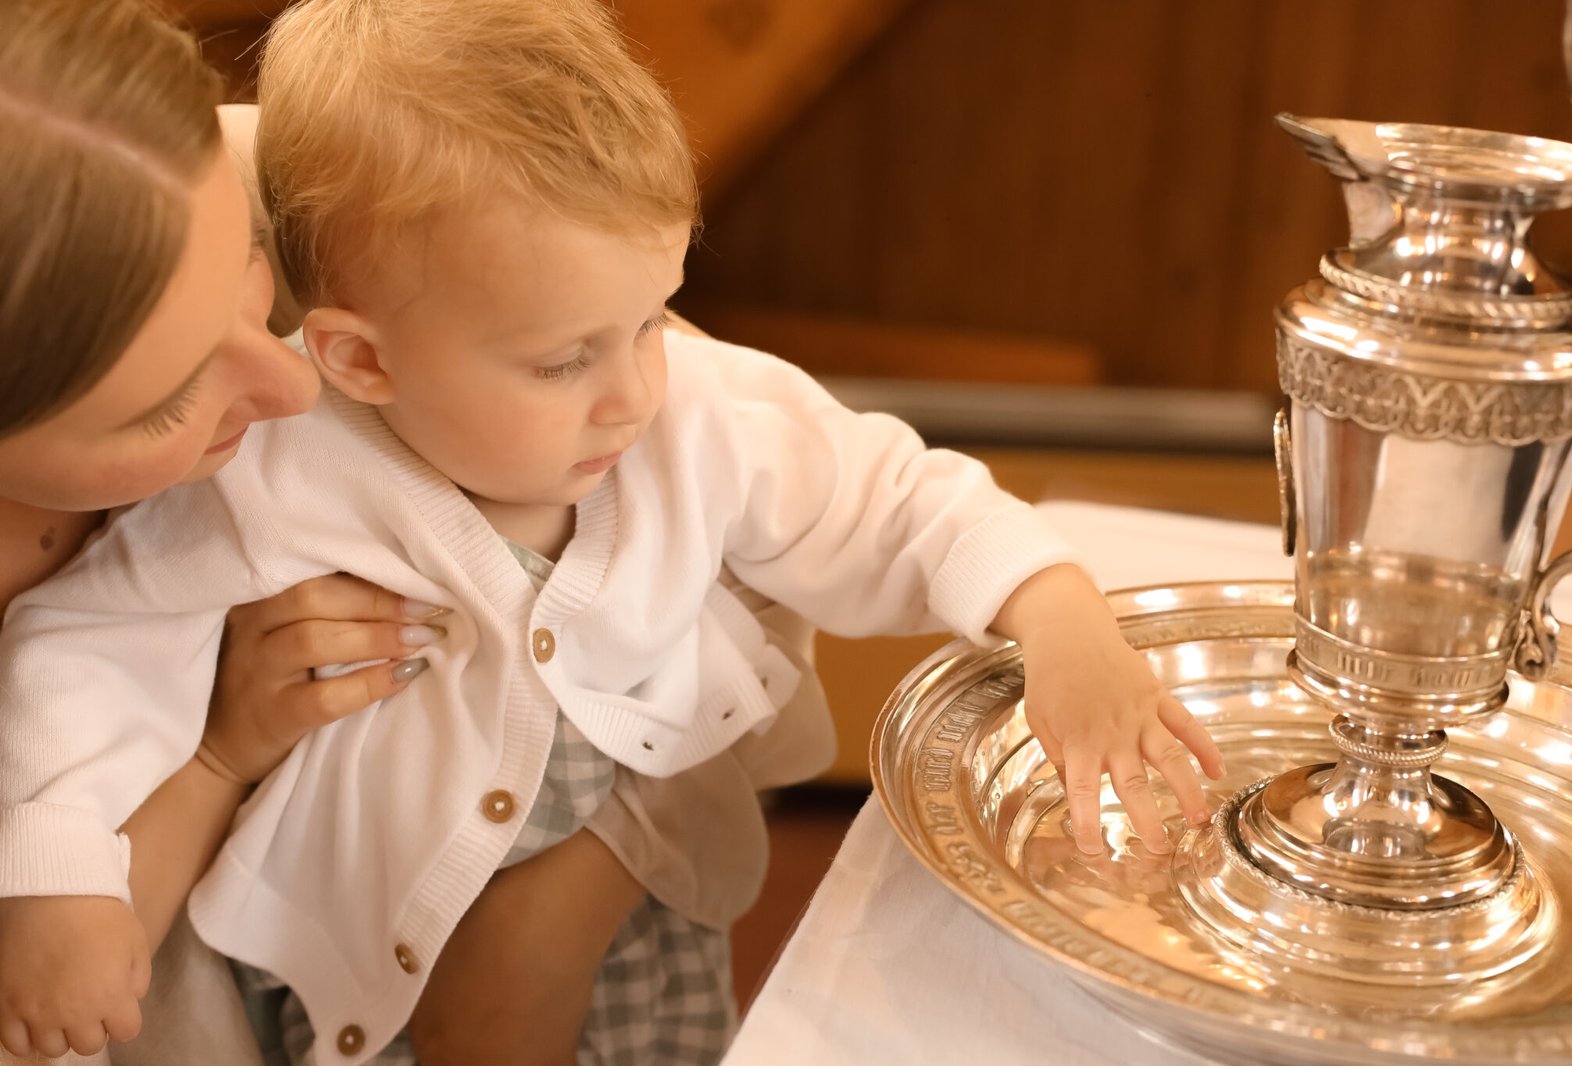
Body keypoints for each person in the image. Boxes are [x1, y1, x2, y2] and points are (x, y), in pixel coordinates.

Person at [0, 0, 1226, 1063]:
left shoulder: (690, 411)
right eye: (564, 357)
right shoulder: (274, 466)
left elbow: (890, 498)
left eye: (654, 314)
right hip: (363, 934)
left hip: (628, 940)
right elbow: (96, 637)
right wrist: (57, 871)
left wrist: (1059, 616)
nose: (638, 388)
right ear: (360, 357)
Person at [0, 3, 655, 1063]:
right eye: (166, 402)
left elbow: (621, 342)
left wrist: (573, 880)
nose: (292, 380)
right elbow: (57, 1017)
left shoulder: (222, 161)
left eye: (255, 265)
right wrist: (218, 755)